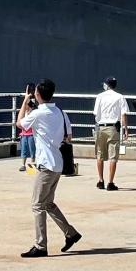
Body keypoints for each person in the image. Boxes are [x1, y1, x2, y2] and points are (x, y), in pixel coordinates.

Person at [18, 79, 82, 258]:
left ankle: (40, 246)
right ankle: (71, 233)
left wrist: (24, 102)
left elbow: (19, 124)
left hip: (45, 164)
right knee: (48, 203)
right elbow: (69, 137)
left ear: (37, 94)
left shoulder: (38, 113)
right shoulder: (61, 112)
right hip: (58, 164)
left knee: (37, 205)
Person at [92, 77, 129, 191]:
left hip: (101, 127)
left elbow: (95, 114)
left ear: (106, 85)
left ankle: (101, 180)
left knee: (99, 154)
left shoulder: (100, 96)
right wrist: (125, 129)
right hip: (113, 128)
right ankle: (110, 182)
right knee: (113, 156)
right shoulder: (120, 97)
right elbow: (123, 114)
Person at [16, 95, 37, 172]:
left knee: (32, 150)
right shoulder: (24, 113)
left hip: (31, 134)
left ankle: (32, 165)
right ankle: (23, 165)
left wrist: (28, 99)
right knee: (23, 150)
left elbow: (34, 106)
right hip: (24, 134)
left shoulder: (33, 113)